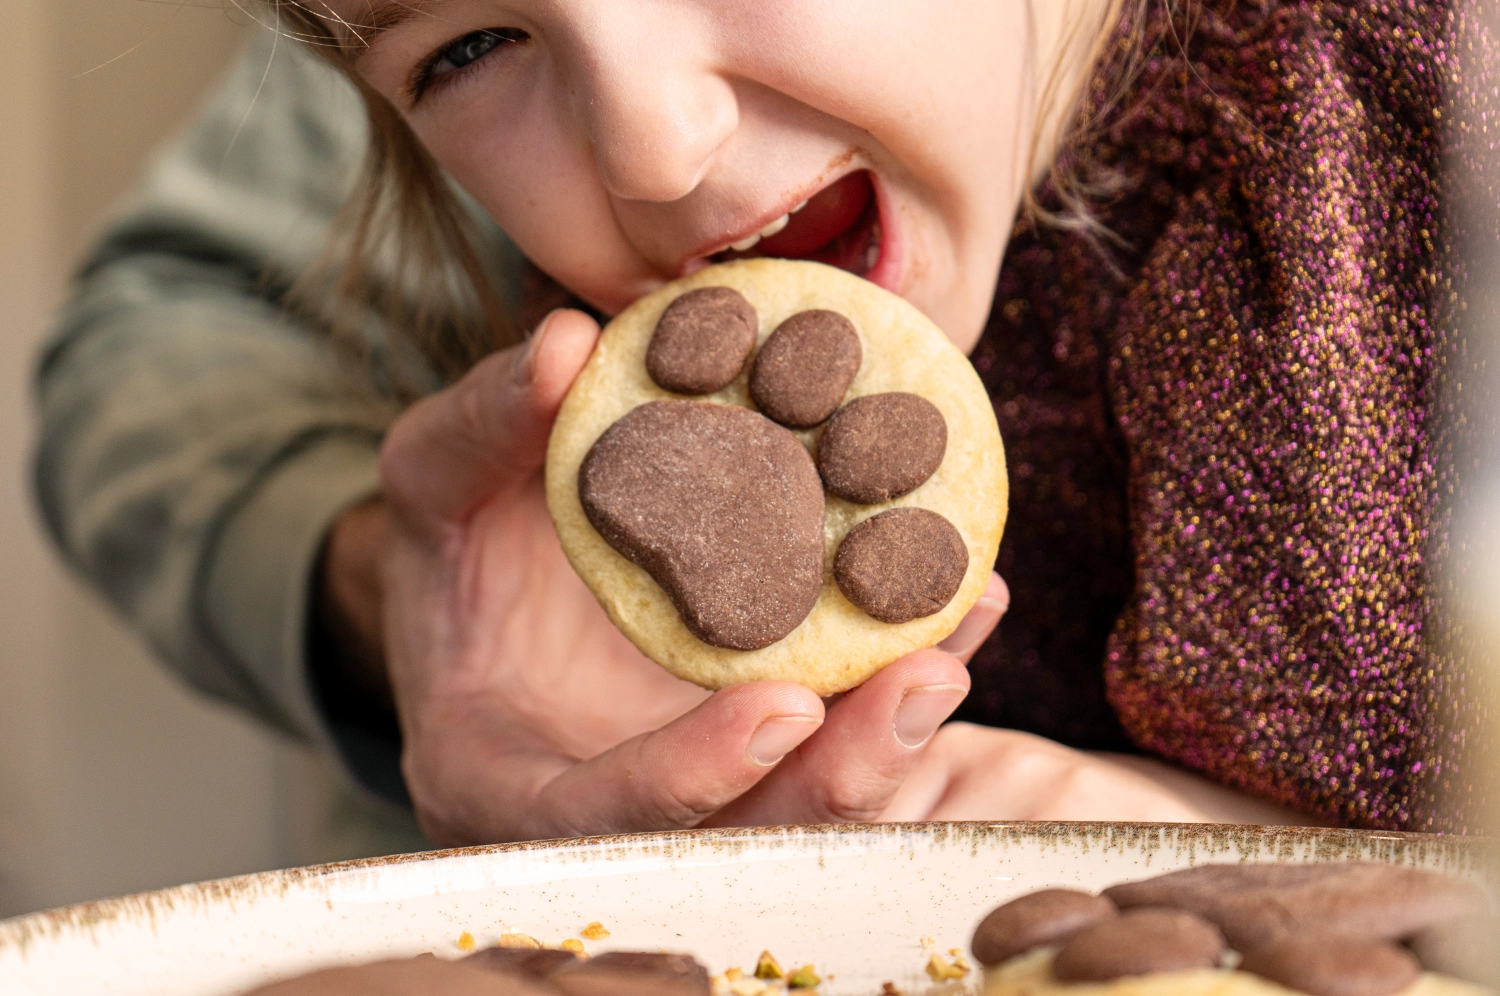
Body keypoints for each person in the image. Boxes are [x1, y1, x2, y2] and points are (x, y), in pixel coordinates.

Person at [34, 0, 1494, 853]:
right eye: (469, 46)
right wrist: (386, 596)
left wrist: (1182, 864)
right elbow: (161, 334)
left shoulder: (1408, 149)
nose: (654, 148)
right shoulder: (590, 323)